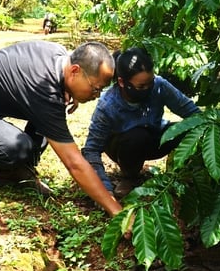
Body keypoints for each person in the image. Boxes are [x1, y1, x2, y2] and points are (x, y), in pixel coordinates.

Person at [0, 40, 124, 218]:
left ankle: (11, 171)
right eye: (95, 88)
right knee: (17, 150)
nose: (97, 96)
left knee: (42, 128)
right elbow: (74, 163)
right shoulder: (44, 89)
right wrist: (114, 208)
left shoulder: (58, 55)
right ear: (74, 71)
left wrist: (69, 88)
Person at [82, 47, 200, 197]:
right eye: (141, 86)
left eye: (150, 83)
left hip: (155, 136)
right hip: (124, 146)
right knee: (137, 136)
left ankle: (187, 172)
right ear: (122, 82)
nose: (148, 89)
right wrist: (105, 190)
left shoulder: (159, 86)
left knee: (187, 129)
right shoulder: (108, 105)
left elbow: (191, 112)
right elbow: (91, 149)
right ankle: (129, 176)